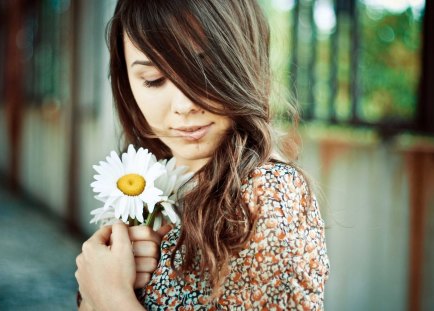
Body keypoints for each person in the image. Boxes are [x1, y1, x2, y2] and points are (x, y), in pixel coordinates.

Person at [75, 0, 330, 310]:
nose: (184, 105)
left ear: (243, 61)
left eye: (202, 70)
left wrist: (108, 296)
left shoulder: (268, 195)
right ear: (127, 83)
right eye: (153, 79)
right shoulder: (156, 183)